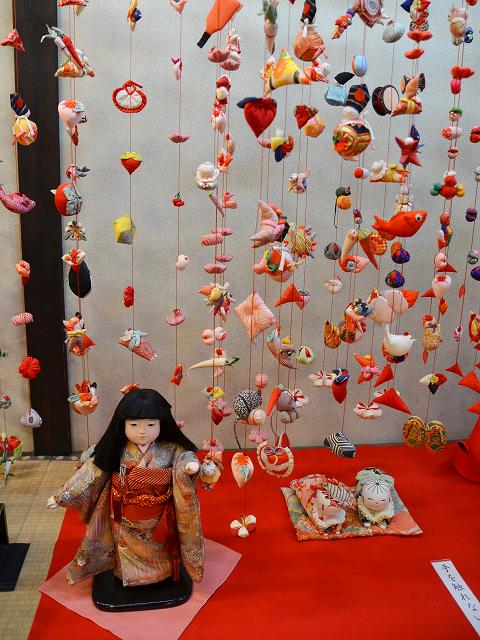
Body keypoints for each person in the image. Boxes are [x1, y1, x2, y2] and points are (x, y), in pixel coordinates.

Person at [47, 388, 204, 587]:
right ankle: (127, 575)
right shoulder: (116, 449)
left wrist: (189, 467)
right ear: (123, 424)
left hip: (157, 517)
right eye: (134, 425)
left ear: (161, 423)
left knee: (158, 544)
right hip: (123, 515)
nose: (142, 431)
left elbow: (185, 456)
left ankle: (160, 571)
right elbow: (91, 473)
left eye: (150, 425)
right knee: (123, 546)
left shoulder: (170, 448)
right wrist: (62, 496)